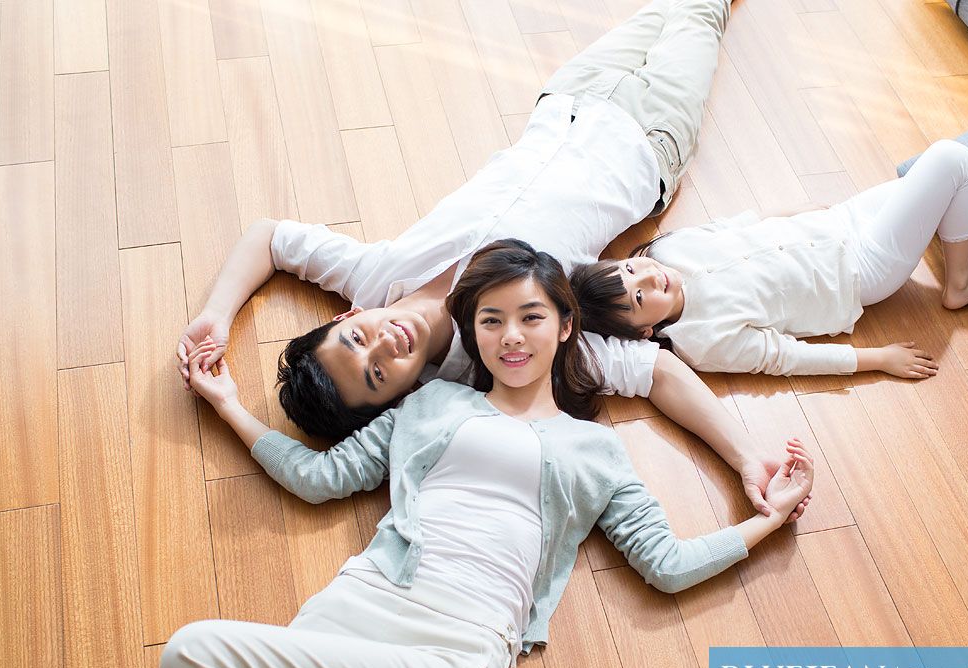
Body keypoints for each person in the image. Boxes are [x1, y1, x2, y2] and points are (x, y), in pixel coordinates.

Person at [160, 239, 813, 668]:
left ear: (563, 326)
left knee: (194, 658)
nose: (511, 335)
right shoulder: (429, 404)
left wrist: (766, 519)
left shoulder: (595, 451)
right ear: (474, 333)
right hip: (348, 612)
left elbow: (665, 563)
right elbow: (320, 474)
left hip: (447, 660)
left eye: (530, 316)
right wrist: (227, 404)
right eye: (491, 320)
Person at [174, 0, 804, 519]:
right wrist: (748, 458)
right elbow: (656, 375)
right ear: (397, 396)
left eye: (356, 339)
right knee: (703, 12)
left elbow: (268, 237)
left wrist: (216, 314)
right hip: (648, 141)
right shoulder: (500, 353)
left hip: (569, 99)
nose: (382, 346)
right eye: (375, 374)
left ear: (352, 314)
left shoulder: (373, 274)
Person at [570, 101, 968, 379]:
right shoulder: (701, 342)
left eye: (629, 272)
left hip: (842, 221)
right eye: (642, 297)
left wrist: (818, 208)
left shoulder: (668, 251)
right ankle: (958, 283)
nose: (648, 278)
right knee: (953, 159)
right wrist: (875, 359)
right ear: (645, 328)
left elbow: (751, 220)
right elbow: (786, 358)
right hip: (862, 269)